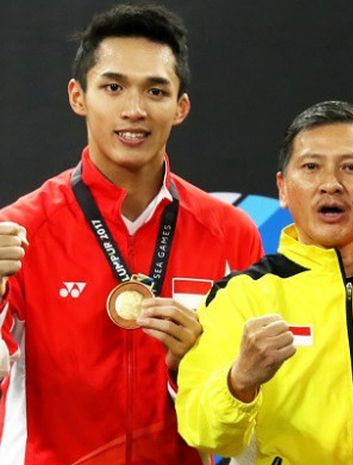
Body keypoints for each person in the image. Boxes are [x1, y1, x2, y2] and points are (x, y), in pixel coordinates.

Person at [0, 4, 263, 464]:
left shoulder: (231, 234)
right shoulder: (21, 232)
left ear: (180, 107)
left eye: (156, 91)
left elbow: (249, 415)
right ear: (78, 96)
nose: (135, 109)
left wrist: (192, 366)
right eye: (114, 87)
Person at [175, 100, 353, 464]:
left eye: (351, 167)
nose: (331, 184)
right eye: (310, 167)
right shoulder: (242, 294)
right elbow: (201, 431)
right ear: (284, 188)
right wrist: (238, 380)